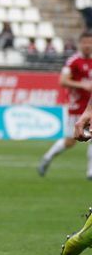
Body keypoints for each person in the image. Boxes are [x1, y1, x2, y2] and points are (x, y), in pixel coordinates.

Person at [38, 31, 92, 179]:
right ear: (80, 44)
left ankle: (90, 172)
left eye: (90, 42)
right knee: (70, 141)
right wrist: (82, 85)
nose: (88, 45)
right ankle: (48, 157)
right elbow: (63, 81)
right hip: (77, 107)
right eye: (85, 42)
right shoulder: (73, 61)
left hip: (91, 106)